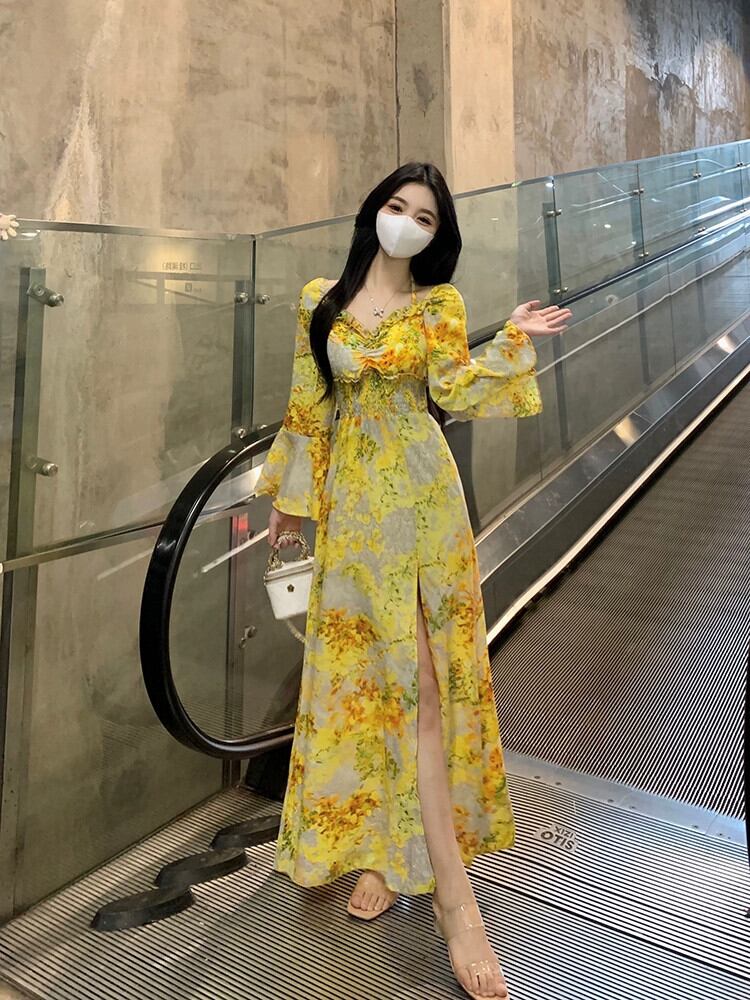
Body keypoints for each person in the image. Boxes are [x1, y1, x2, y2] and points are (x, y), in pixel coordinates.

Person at [255, 162, 571, 1000]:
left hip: (424, 504)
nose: (406, 223)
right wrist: (289, 503)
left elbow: (452, 388)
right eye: (397, 207)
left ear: (437, 234)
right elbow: (308, 406)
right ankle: (384, 855)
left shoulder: (439, 305)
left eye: (424, 217)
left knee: (426, 687)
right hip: (354, 512)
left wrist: (513, 340)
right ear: (374, 212)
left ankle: (456, 905)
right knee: (369, 685)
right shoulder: (320, 300)